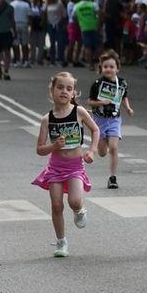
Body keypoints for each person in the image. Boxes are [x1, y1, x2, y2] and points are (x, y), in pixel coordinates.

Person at [32, 71, 100, 257]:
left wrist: (92, 151)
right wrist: (53, 146)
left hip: (75, 166)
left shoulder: (79, 112)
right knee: (56, 205)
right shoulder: (47, 119)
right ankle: (61, 242)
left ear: (73, 93)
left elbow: (95, 130)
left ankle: (79, 210)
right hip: (55, 166)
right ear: (52, 90)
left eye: (69, 88)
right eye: (60, 87)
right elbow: (39, 149)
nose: (64, 91)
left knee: (74, 201)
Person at [87, 49, 134, 190]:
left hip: (114, 119)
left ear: (117, 68)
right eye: (105, 66)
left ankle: (112, 178)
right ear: (101, 68)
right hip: (99, 120)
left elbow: (124, 97)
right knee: (102, 152)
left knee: (113, 148)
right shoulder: (97, 84)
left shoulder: (122, 83)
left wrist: (128, 108)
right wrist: (101, 103)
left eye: (111, 67)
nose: (108, 69)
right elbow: (90, 101)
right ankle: (103, 141)